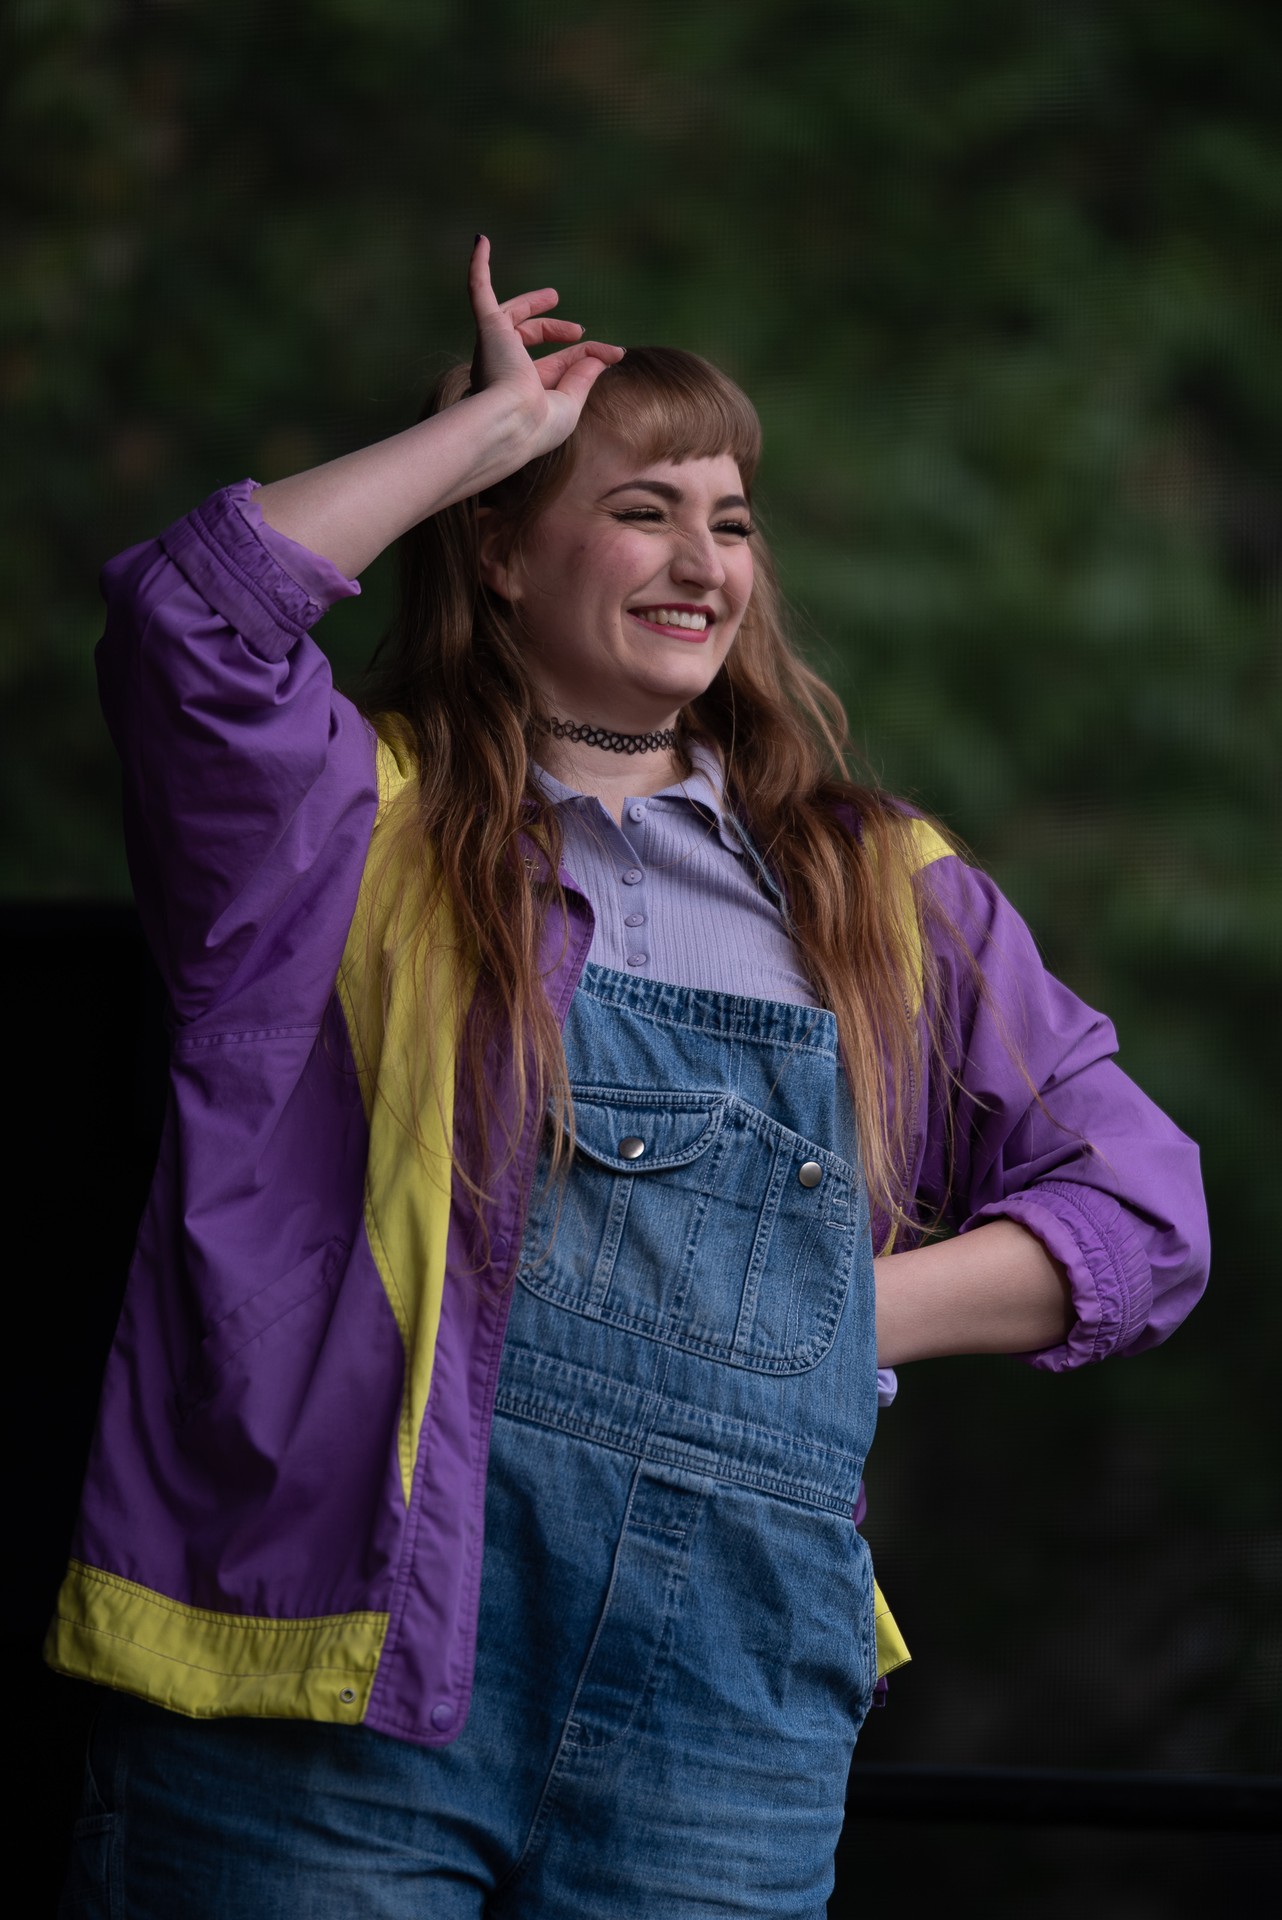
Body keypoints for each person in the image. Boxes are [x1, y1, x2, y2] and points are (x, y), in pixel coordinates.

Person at [49, 239, 1209, 1919]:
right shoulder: (338, 822)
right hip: (331, 1684)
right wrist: (480, 435)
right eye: (639, 509)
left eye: (730, 521)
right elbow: (189, 619)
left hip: (728, 1713)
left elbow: (1140, 1214)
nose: (700, 562)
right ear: (500, 548)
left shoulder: (876, 886)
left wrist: (826, 1313)